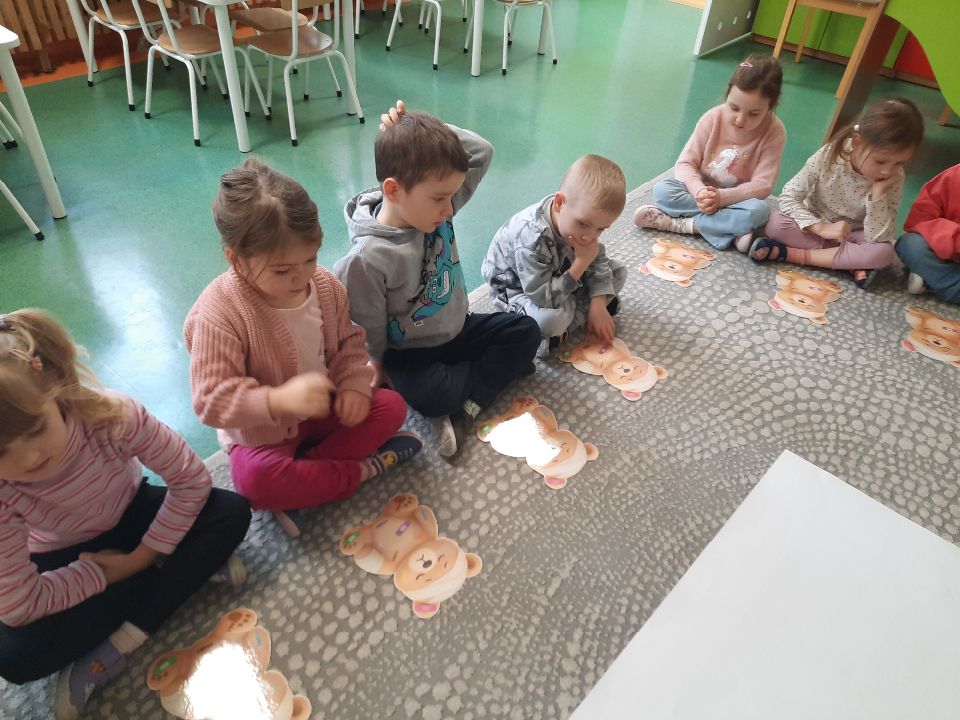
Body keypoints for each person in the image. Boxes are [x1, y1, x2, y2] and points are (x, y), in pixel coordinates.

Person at [0, 308, 252, 720]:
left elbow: (190, 480)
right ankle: (180, 571)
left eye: (35, 430)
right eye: (0, 452)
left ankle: (123, 637)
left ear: (56, 387)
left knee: (231, 512)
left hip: (134, 512)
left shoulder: (112, 415)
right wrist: (100, 574)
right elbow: (19, 605)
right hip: (67, 554)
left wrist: (135, 562)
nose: (29, 458)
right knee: (12, 654)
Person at [185, 159, 421, 513]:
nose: (301, 277)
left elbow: (348, 347)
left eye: (310, 259)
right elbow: (210, 401)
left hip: (321, 411)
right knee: (254, 482)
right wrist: (278, 401)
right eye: (282, 270)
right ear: (235, 259)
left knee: (391, 406)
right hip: (263, 432)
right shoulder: (219, 312)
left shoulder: (325, 286)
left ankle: (307, 475)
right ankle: (359, 471)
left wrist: (353, 388)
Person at [334, 101, 541, 458]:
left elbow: (481, 151)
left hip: (458, 327)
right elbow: (369, 325)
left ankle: (467, 404)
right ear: (394, 190)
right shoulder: (365, 260)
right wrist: (376, 365)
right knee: (434, 395)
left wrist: (419, 127)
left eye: (449, 197)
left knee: (527, 332)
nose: (450, 209)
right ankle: (475, 390)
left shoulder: (431, 208)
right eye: (440, 199)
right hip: (411, 353)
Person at [751, 98, 924, 287]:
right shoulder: (829, 155)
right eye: (880, 161)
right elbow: (789, 196)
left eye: (899, 163)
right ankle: (849, 264)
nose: (887, 171)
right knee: (775, 224)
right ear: (857, 142)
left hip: (855, 235)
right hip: (816, 224)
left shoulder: (894, 177)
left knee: (884, 253)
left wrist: (878, 195)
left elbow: (879, 236)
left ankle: (790, 254)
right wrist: (820, 228)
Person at [635, 54, 786, 252]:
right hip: (699, 194)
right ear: (728, 94)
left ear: (771, 106)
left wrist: (722, 198)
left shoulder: (774, 131)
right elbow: (685, 164)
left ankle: (678, 224)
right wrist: (699, 191)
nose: (740, 120)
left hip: (737, 200)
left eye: (754, 114)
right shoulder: (712, 118)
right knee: (663, 190)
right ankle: (730, 231)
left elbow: (763, 185)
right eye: (734, 108)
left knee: (759, 211)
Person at [482, 154, 628, 348]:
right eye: (583, 224)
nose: (589, 237)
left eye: (601, 229)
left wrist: (598, 302)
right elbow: (542, 297)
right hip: (518, 288)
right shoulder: (532, 238)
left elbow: (598, 259)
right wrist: (581, 264)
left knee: (618, 271)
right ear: (559, 203)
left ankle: (581, 313)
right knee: (550, 321)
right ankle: (569, 321)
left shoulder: (579, 223)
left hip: (557, 274)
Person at [895, 163, 960, 302]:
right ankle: (939, 282)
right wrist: (951, 237)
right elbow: (918, 221)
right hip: (941, 251)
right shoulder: (952, 177)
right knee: (911, 244)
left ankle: (931, 281)